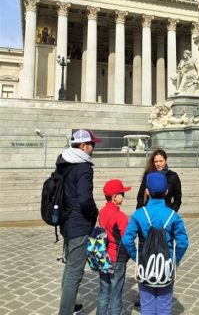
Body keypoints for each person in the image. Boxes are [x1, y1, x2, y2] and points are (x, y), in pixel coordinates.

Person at [122, 172, 189, 315]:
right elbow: (183, 243)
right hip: (166, 265)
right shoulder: (173, 215)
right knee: (164, 306)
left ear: (147, 191)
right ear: (166, 192)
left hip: (145, 264)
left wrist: (137, 257)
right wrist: (174, 260)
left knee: (146, 306)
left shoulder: (139, 214)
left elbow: (127, 239)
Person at [57, 129, 101, 315]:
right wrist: (95, 213)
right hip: (79, 225)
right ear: (83, 146)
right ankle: (66, 312)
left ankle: (70, 305)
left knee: (69, 269)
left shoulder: (64, 163)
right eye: (92, 145)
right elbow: (85, 199)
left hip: (66, 223)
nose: (93, 148)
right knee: (75, 273)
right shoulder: (83, 167)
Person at [96, 179, 131, 315]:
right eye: (122, 193)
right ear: (114, 197)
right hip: (116, 258)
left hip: (103, 257)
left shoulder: (102, 212)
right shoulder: (121, 216)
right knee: (116, 295)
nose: (124, 196)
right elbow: (126, 239)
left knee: (104, 292)